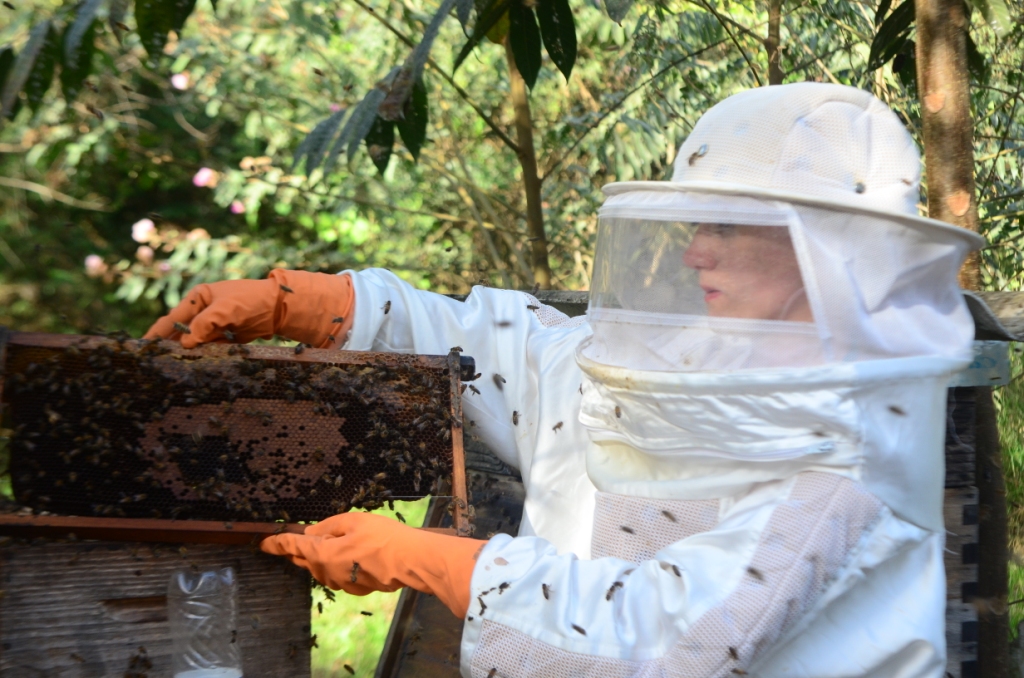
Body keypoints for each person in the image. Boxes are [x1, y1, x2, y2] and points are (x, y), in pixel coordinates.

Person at [146, 82, 983, 677]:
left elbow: (681, 642)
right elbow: (515, 350)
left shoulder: (858, 449)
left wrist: (441, 562)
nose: (694, 252)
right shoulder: (687, 362)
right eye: (692, 222)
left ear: (822, 245)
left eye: (727, 225)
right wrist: (315, 303)